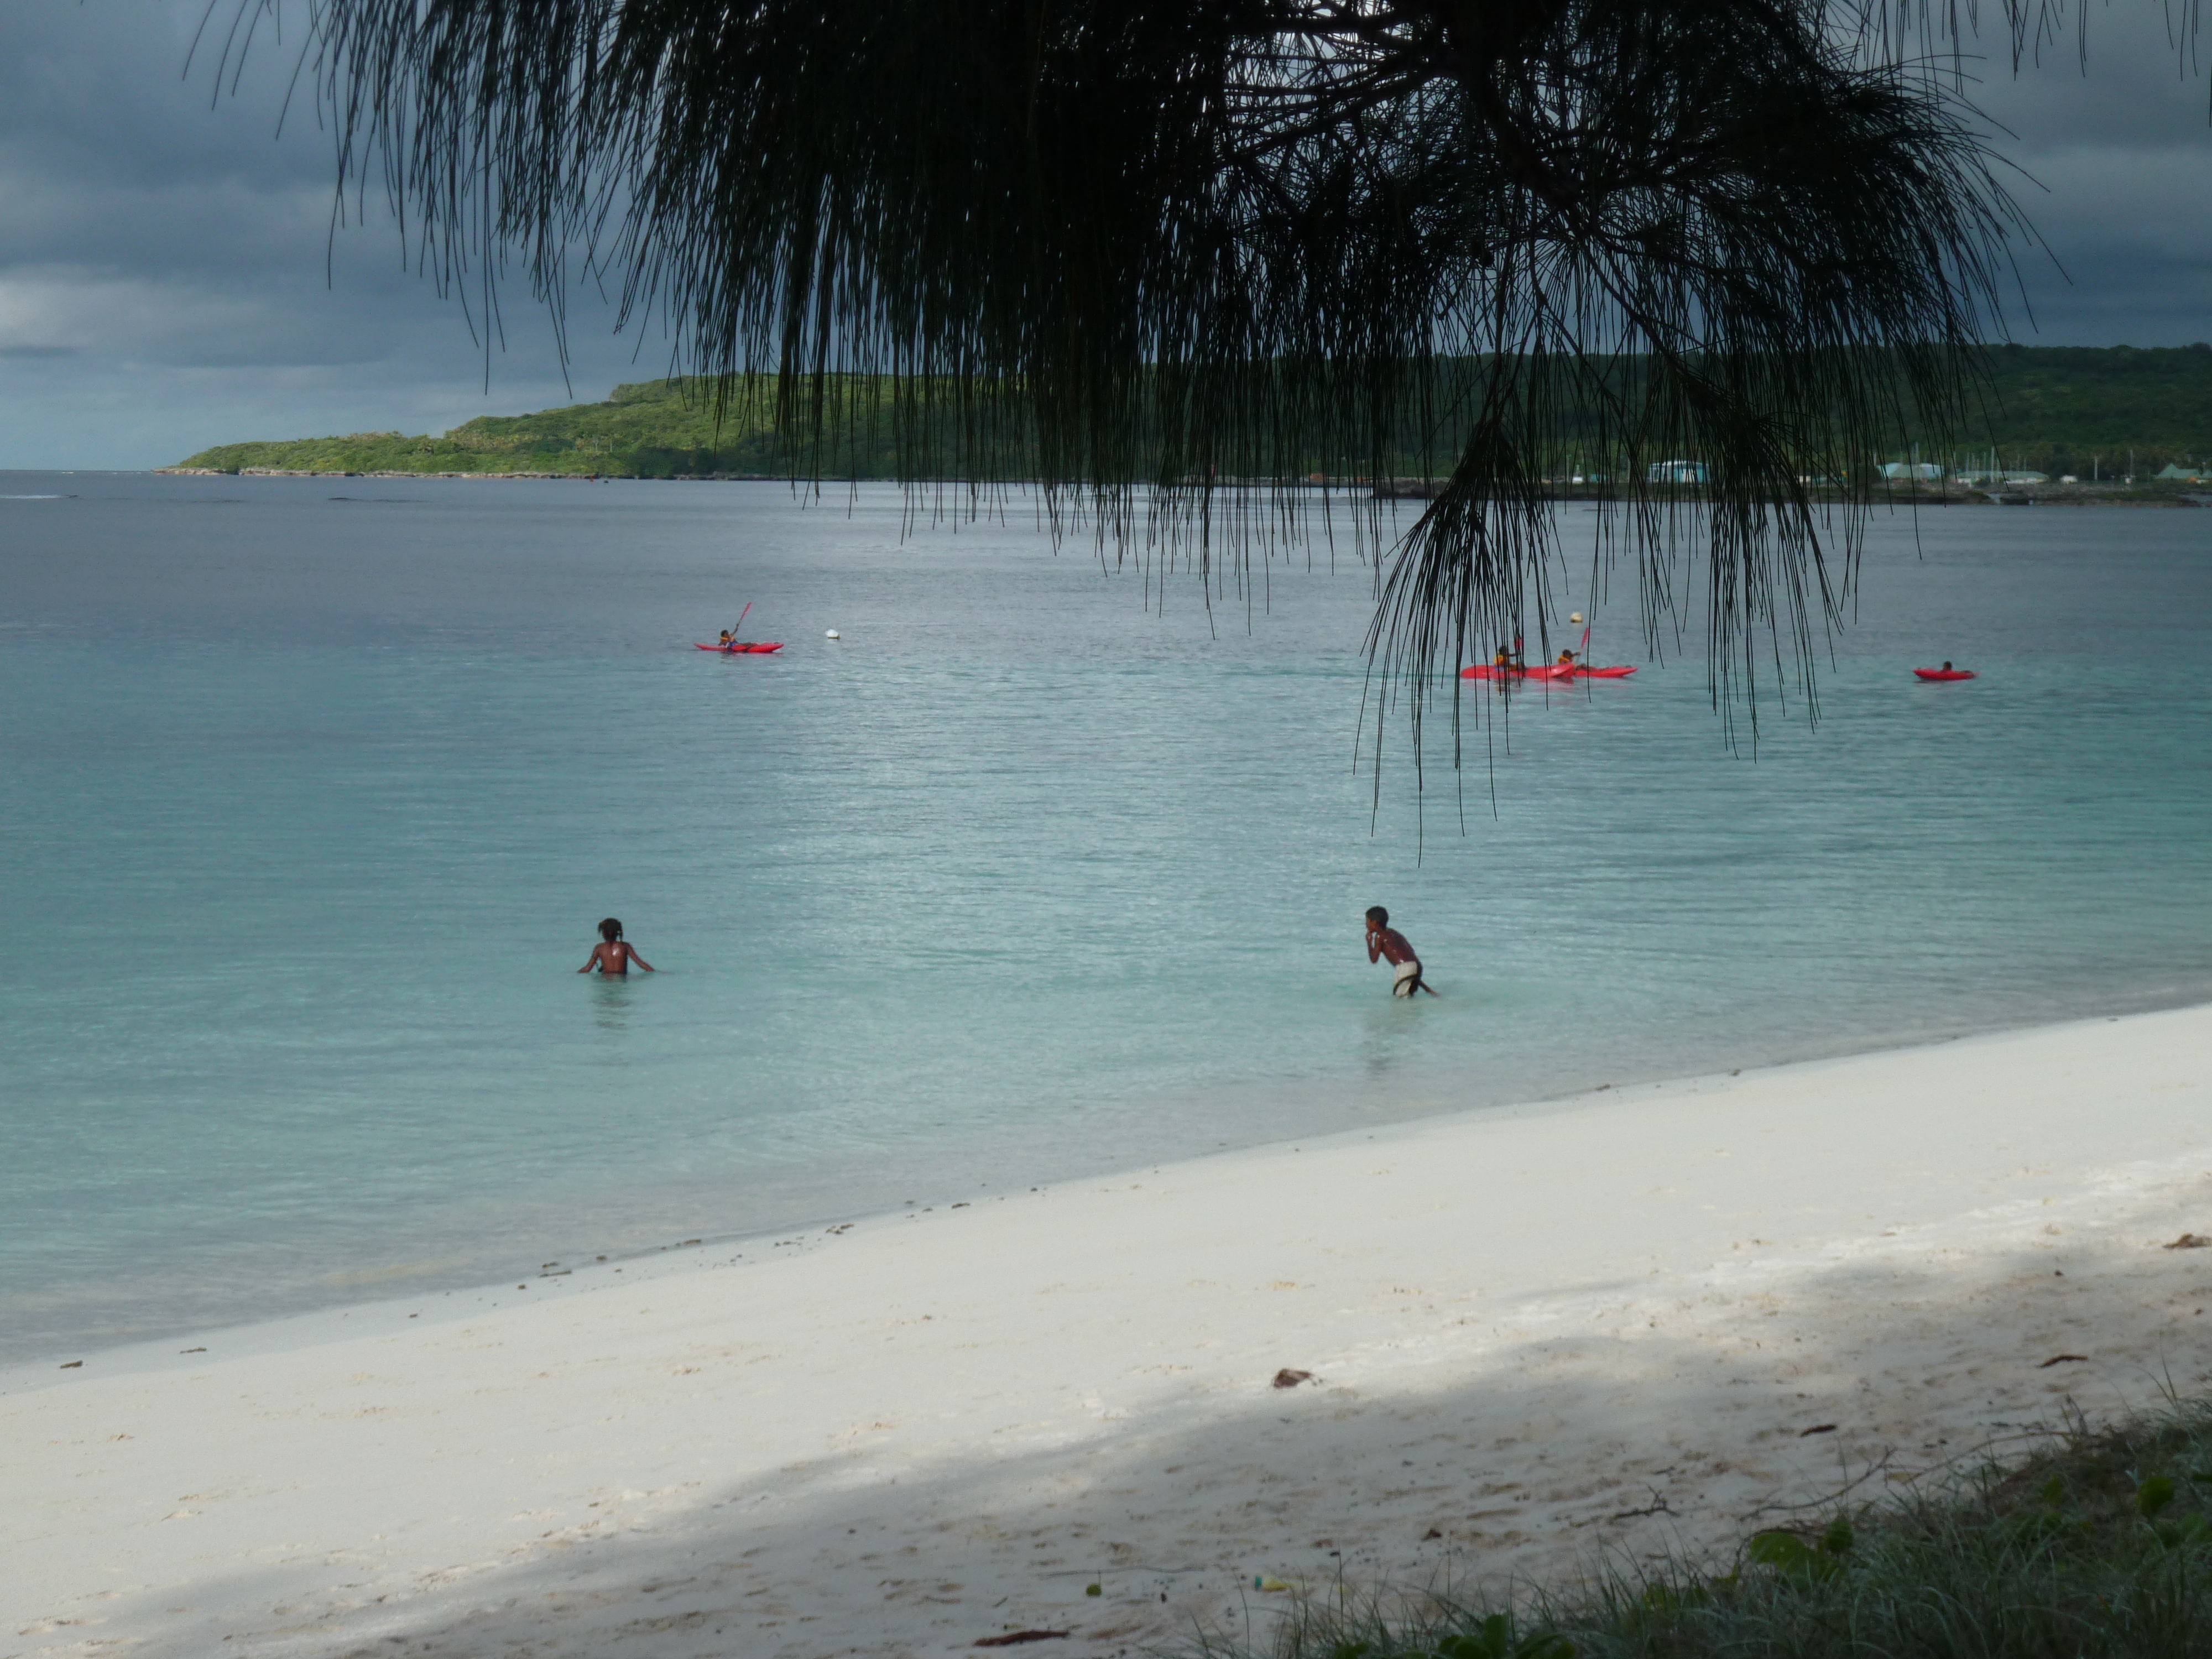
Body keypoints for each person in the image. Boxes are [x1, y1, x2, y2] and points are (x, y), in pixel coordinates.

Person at [1364, 906, 1435, 997]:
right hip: (1417, 965)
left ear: (1374, 923)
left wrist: (1369, 943)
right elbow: (1411, 965)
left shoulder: (1380, 936)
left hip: (1405, 968)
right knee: (1408, 999)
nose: (1366, 925)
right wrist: (1427, 989)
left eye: (1367, 921)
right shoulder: (1394, 933)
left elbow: (1374, 960)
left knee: (1402, 1003)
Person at [580, 917, 655, 975]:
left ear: (604, 933)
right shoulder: (625, 946)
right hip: (622, 979)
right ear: (618, 933)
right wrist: (656, 972)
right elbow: (641, 964)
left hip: (606, 980)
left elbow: (587, 969)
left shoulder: (599, 948)